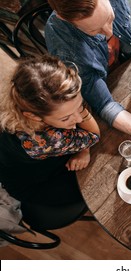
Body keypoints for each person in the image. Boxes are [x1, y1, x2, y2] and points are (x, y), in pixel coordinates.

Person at [45, 0, 131, 164]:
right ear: (65, 19)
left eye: (110, 17)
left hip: (128, 65)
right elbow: (105, 104)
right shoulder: (66, 48)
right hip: (105, 85)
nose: (109, 33)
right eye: (95, 30)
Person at [0, 55, 100, 226]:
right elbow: (94, 135)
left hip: (24, 166)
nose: (77, 118)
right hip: (38, 186)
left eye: (79, 105)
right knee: (97, 181)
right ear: (34, 116)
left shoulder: (22, 101)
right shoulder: (43, 141)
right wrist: (85, 148)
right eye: (66, 117)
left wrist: (73, 110)